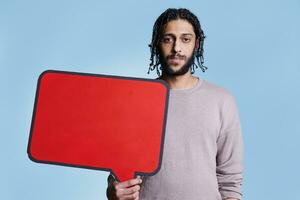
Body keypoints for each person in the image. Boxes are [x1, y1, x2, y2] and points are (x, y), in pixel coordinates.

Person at [106, 8, 243, 200]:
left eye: (185, 39)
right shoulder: (135, 100)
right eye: (168, 39)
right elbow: (118, 173)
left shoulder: (221, 100)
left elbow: (230, 180)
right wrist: (113, 191)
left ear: (196, 45)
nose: (176, 48)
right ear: (157, 45)